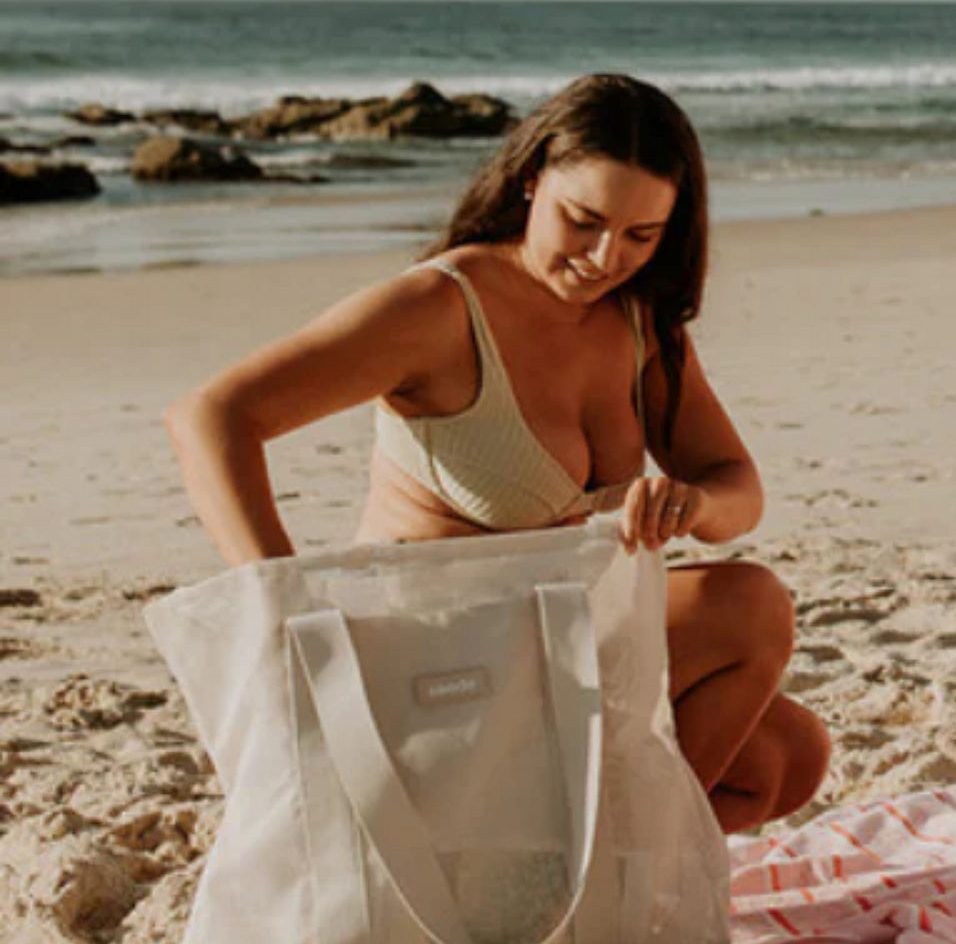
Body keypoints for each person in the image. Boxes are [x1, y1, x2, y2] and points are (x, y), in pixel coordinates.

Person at [167, 71, 829, 832]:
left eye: (641, 236)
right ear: (528, 181)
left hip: (557, 649)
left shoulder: (640, 325)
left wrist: (695, 503)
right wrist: (283, 603)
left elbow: (737, 488)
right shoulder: (441, 307)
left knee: (785, 755)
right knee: (746, 607)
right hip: (434, 664)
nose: (605, 257)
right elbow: (210, 418)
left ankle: (609, 860)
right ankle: (634, 862)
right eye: (582, 220)